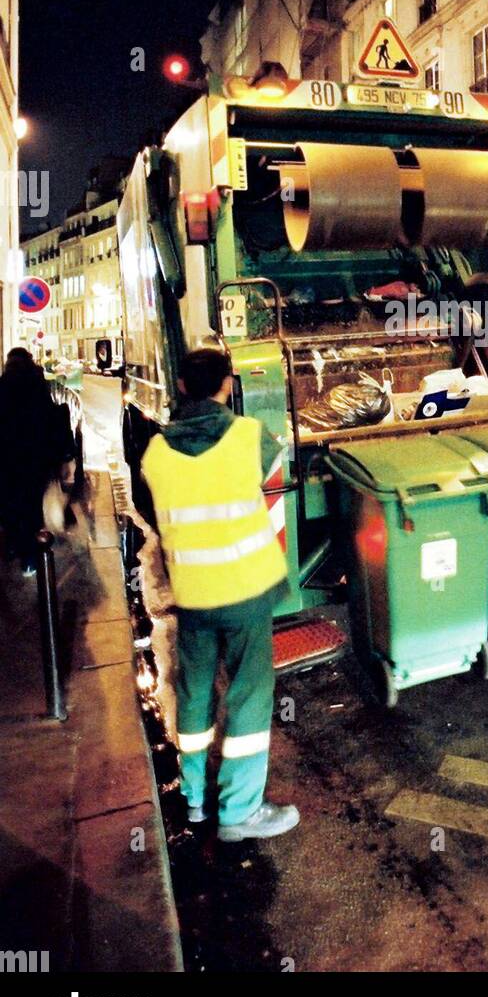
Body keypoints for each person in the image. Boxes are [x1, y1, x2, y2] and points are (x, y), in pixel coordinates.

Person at [138, 347, 299, 843]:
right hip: (246, 594)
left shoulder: (154, 453)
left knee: (194, 698)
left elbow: (152, 513)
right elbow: (280, 463)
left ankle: (195, 803)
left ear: (181, 386)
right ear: (228, 384)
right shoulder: (249, 437)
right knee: (249, 700)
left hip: (194, 598)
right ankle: (240, 811)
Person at [0, 348, 75, 576]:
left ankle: (16, 543)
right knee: (32, 505)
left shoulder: (2, 384)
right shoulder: (38, 383)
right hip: (36, 457)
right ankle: (31, 558)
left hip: (8, 457)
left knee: (10, 502)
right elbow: (53, 418)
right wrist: (64, 455)